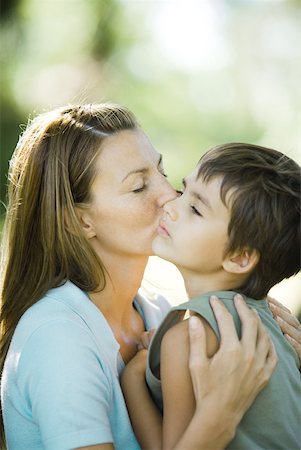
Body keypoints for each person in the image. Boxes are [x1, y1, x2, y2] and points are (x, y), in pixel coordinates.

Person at [0, 104, 299, 450]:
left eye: (162, 171)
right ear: (79, 221)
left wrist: (287, 371)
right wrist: (220, 417)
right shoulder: (56, 336)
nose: (170, 195)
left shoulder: (161, 313)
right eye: (139, 186)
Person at [121, 143, 301, 450]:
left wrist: (134, 376)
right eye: (183, 190)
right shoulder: (279, 331)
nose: (172, 206)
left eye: (195, 209)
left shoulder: (187, 337)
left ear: (240, 257)